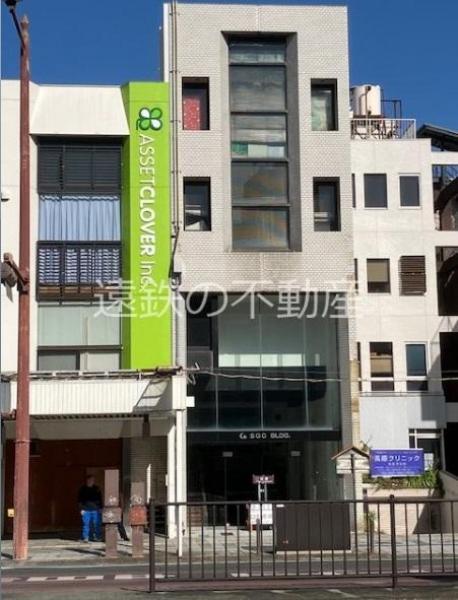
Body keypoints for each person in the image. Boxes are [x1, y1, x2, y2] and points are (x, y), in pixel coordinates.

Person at [78, 475, 103, 542]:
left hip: (96, 509)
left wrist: (100, 508)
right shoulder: (83, 489)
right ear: (87, 480)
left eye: (92, 480)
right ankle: (86, 537)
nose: (91, 481)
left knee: (97, 524)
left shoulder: (97, 488)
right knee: (86, 524)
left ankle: (97, 537)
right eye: (90, 480)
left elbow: (100, 499)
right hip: (86, 509)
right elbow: (79, 500)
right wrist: (81, 509)